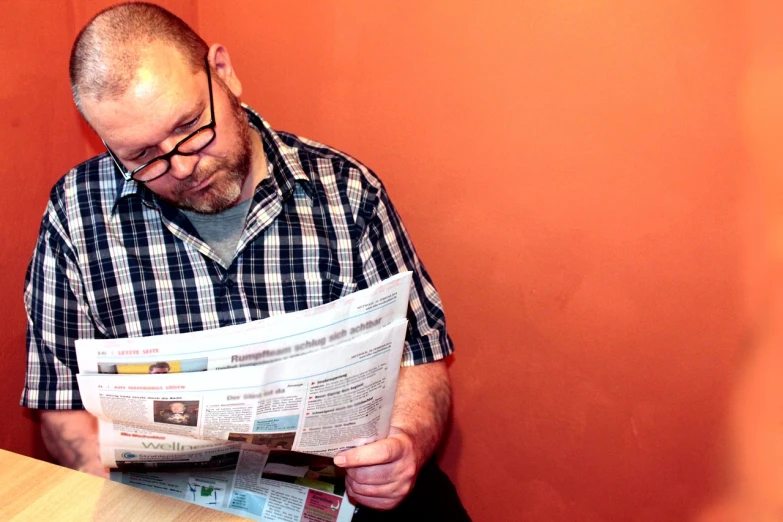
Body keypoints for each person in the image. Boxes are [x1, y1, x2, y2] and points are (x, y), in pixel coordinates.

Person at [21, 3, 469, 519]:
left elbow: (421, 358)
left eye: (191, 126)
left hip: (346, 496)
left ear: (224, 72)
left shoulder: (347, 194)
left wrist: (406, 443)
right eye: (142, 157)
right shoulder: (76, 216)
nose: (184, 166)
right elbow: (63, 406)